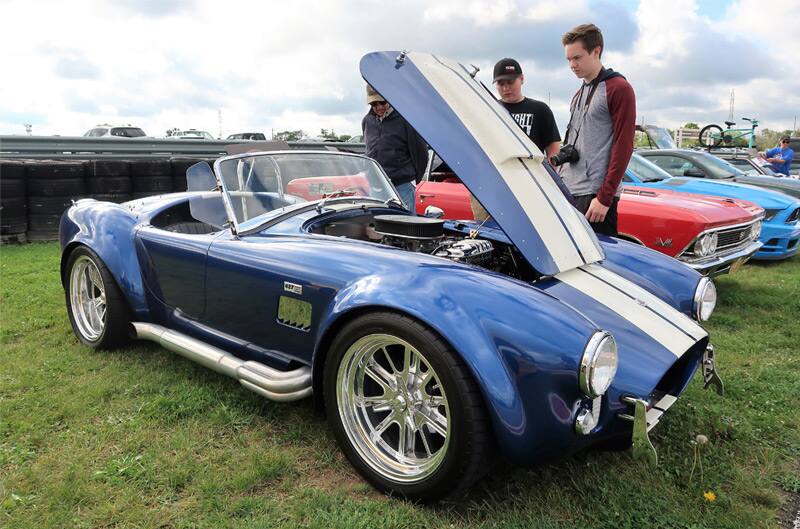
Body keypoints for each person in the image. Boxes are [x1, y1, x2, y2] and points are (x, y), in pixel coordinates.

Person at [557, 23, 636, 236]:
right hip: (570, 191)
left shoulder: (618, 88)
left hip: (595, 197)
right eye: (568, 59)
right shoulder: (578, 93)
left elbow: (624, 145)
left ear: (596, 51)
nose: (572, 65)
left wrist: (604, 198)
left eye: (577, 57)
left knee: (599, 264)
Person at [362, 84, 428, 213]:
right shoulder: (367, 121)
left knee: (406, 227)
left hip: (402, 185)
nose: (379, 107)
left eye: (382, 102)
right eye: (374, 104)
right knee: (378, 227)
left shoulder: (406, 120)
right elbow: (369, 150)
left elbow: (421, 154)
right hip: (376, 186)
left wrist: (412, 180)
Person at [493, 58, 562, 160]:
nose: (505, 88)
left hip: (533, 174)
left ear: (522, 79)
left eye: (510, 82)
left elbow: (554, 151)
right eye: (501, 83)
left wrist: (552, 173)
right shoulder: (492, 109)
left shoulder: (540, 110)